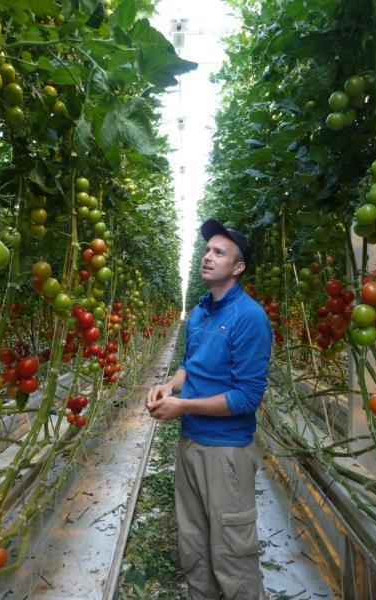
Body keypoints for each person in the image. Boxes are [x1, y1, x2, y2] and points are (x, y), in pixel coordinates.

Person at [146, 218, 273, 600]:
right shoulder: (200, 313)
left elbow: (247, 397)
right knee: (194, 546)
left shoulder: (249, 317)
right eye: (207, 250)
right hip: (190, 446)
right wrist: (169, 384)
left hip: (226, 456)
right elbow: (193, 365)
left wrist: (182, 404)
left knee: (233, 557)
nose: (208, 257)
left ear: (238, 268)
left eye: (219, 252)